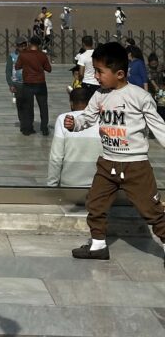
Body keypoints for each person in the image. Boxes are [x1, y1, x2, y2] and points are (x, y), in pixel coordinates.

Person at [65, 42, 165, 262]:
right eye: (95, 70)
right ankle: (98, 245)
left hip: (136, 166)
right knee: (96, 203)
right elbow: (88, 117)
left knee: (151, 209)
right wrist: (75, 123)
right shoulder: (99, 95)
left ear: (119, 74)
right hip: (107, 163)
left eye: (100, 71)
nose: (96, 76)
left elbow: (159, 127)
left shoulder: (139, 97)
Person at [47, 88, 102, 188]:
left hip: (70, 184)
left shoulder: (63, 119)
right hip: (99, 184)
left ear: (72, 103)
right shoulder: (102, 119)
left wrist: (52, 185)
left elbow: (56, 157)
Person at [15, 35, 52, 136]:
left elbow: (17, 66)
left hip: (28, 84)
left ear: (30, 43)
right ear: (39, 44)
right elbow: (49, 69)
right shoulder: (42, 55)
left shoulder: (23, 55)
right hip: (40, 83)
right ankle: (44, 128)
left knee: (27, 107)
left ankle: (27, 129)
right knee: (43, 106)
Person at [6, 38, 28, 133]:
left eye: (24, 45)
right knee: (20, 105)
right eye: (20, 46)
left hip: (28, 83)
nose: (23, 47)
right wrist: (10, 84)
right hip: (17, 84)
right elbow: (8, 72)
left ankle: (28, 123)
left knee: (29, 105)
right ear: (17, 46)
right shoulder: (12, 56)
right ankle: (23, 123)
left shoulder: (29, 55)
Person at [75, 35, 100, 102]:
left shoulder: (82, 56)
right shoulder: (98, 54)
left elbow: (81, 73)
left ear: (83, 44)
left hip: (87, 82)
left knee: (86, 102)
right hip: (97, 83)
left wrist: (79, 81)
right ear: (92, 43)